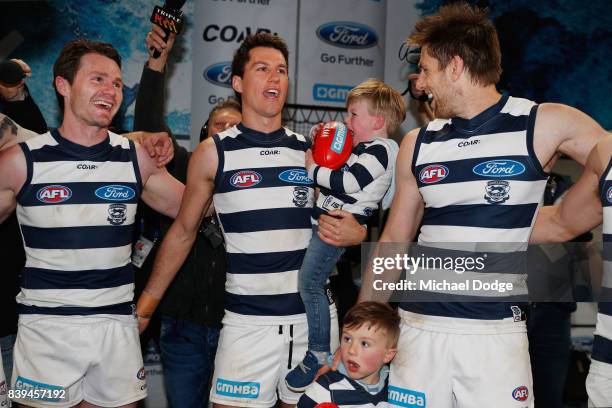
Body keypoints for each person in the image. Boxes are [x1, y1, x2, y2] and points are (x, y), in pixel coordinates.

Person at [358, 3, 608, 407]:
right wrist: (363, 327)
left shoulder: (542, 123)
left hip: (495, 337)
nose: (421, 85)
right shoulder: (417, 143)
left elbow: (605, 160)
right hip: (418, 331)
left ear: (455, 67)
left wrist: (557, 216)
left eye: (426, 69)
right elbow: (395, 240)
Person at [137, 32, 367, 408]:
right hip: (246, 325)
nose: (274, 77)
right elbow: (182, 233)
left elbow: (348, 220)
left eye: (281, 70)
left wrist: (357, 232)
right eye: (262, 69)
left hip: (312, 326)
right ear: (239, 83)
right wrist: (145, 309)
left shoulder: (310, 152)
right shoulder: (213, 153)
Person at [0, 38, 184, 408]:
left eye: (116, 83)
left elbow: (197, 212)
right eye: (98, 79)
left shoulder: (136, 157)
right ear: (63, 85)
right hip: (44, 331)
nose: (111, 90)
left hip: (115, 327)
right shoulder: (21, 160)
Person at [136, 25, 241, 408]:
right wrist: (156, 61)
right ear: (203, 134)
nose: (228, 131)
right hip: (182, 326)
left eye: (236, 126)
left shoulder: (261, 180)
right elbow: (148, 128)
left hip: (239, 327)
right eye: (220, 126)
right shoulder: (182, 167)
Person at [286, 79, 405, 390]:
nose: (346, 121)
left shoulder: (382, 150)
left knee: (310, 283)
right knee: (314, 284)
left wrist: (312, 169)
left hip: (337, 226)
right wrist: (319, 140)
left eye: (353, 115)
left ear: (377, 121)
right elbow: (333, 161)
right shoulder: (363, 147)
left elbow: (349, 182)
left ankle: (319, 353)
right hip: (323, 221)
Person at [531, 137, 612, 406]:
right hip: (504, 309)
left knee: (549, 396)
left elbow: (585, 244)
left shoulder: (564, 187)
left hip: (554, 311)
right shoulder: (503, 184)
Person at [296, 302, 399, 408]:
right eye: (347, 339)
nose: (351, 350)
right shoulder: (327, 388)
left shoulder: (396, 387)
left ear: (388, 355)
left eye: (364, 343)